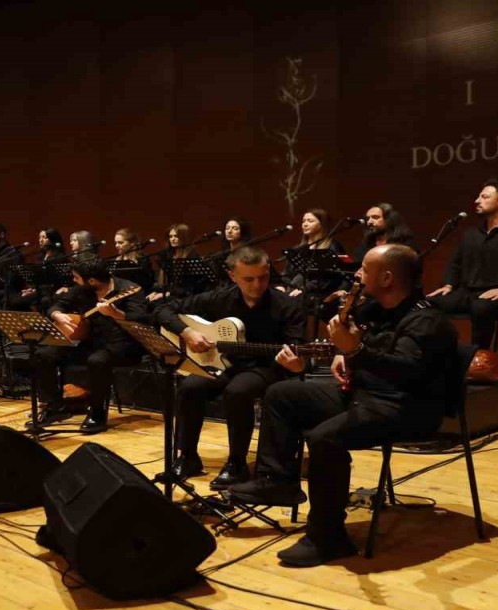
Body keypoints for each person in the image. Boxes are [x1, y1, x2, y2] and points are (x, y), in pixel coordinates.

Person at [230, 245, 458, 567]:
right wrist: (342, 353)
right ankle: (279, 481)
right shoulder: (377, 308)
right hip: (368, 395)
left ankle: (328, 538)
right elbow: (349, 333)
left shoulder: (426, 321)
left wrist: (357, 350)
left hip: (408, 407)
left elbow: (406, 373)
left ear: (388, 277)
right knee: (282, 394)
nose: (358, 275)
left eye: (364, 269)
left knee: (325, 437)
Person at [154, 246, 305, 488]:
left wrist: (296, 362)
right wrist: (188, 332)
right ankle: (188, 456)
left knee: (238, 391)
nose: (257, 284)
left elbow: (296, 347)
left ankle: (237, 462)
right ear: (233, 276)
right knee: (191, 386)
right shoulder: (220, 298)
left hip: (267, 367)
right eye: (248, 279)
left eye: (263, 277)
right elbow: (163, 309)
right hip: (226, 364)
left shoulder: (288, 305)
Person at [34, 258, 149, 434]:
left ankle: (97, 412)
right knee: (44, 354)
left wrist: (116, 313)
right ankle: (55, 405)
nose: (74, 281)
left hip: (122, 345)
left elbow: (142, 319)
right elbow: (58, 304)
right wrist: (57, 314)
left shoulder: (129, 289)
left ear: (92, 281)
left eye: (76, 277)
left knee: (97, 361)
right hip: (90, 342)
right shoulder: (82, 289)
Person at [427, 179, 498, 350]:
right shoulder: (471, 234)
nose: (477, 200)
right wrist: (449, 284)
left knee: (481, 307)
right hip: (470, 293)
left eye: (484, 197)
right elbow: (456, 263)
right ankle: (438, 354)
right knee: (427, 303)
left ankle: (478, 359)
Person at [10, 228, 66, 311]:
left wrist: (34, 290)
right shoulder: (41, 257)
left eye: (44, 237)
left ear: (52, 239)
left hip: (50, 291)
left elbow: (55, 280)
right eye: (40, 237)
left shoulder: (60, 257)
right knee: (13, 299)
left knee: (18, 302)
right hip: (38, 290)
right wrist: (30, 289)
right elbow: (35, 277)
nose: (41, 240)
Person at [147, 223, 203, 302]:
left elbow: (189, 287)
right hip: (170, 292)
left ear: (184, 238)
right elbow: (164, 282)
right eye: (170, 236)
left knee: (156, 304)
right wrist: (156, 292)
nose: (172, 239)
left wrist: (167, 293)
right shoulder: (167, 254)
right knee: (147, 301)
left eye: (176, 236)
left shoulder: (192, 256)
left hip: (185, 296)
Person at [353, 203, 418, 264]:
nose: (369, 222)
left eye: (375, 217)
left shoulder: (405, 245)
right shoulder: (364, 247)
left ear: (389, 220)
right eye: (368, 219)